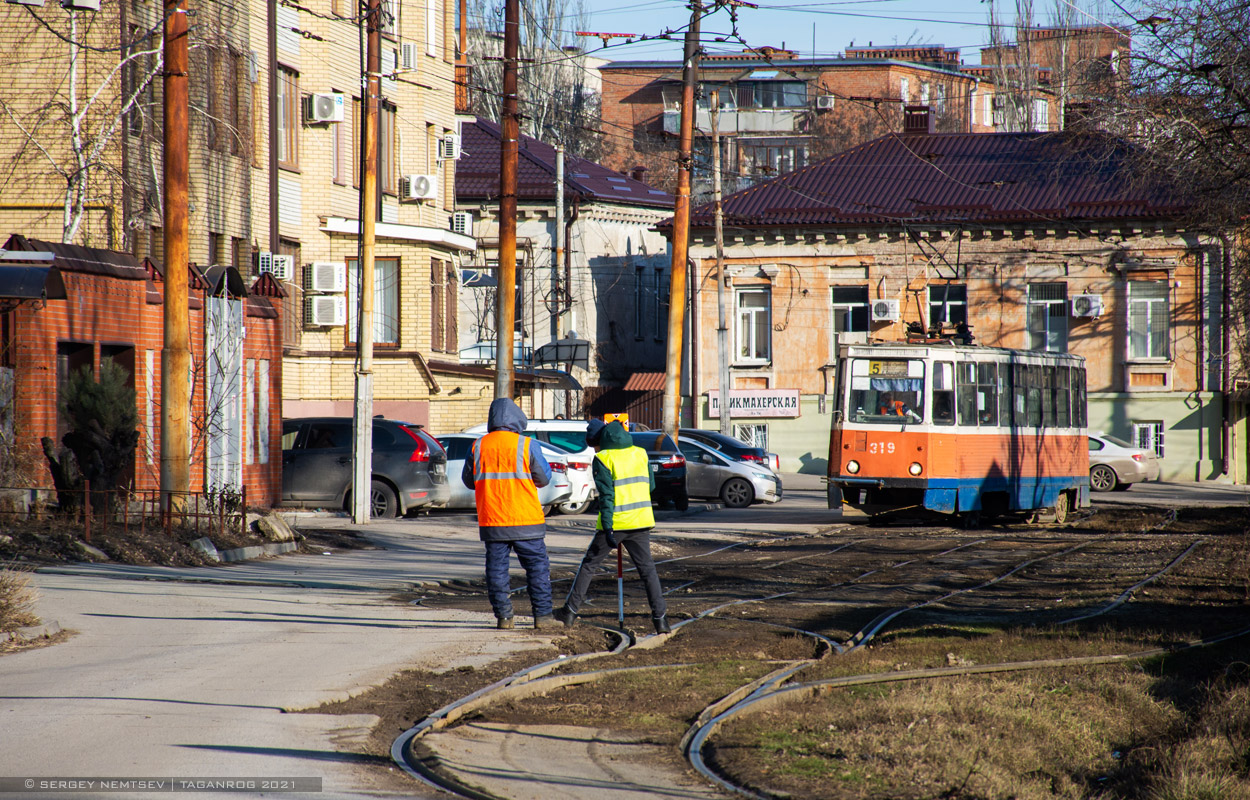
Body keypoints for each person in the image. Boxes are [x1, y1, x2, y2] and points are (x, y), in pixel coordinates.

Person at [553, 420, 671, 634]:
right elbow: (650, 486)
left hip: (615, 524)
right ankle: (661, 620)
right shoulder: (641, 453)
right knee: (648, 571)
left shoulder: (604, 459)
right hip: (642, 521)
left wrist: (607, 527)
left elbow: (607, 497)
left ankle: (569, 612)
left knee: (589, 565)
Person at [462, 398, 555, 630]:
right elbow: (543, 479)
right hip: (527, 520)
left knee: (496, 571)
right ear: (516, 419)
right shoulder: (526, 445)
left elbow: (468, 481)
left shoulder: (478, 446)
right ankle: (543, 617)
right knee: (537, 569)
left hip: (493, 521)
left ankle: (504, 618)